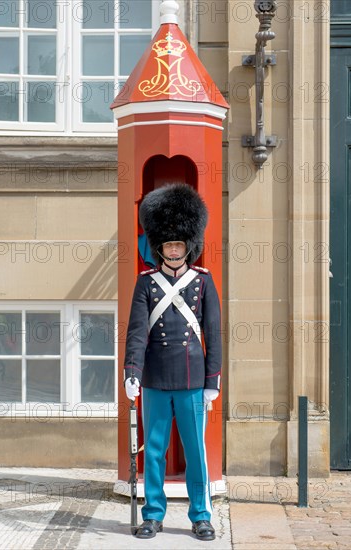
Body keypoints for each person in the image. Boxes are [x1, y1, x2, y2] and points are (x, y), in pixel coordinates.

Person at [123, 183, 222, 541]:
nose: (175, 249)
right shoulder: (146, 283)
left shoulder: (203, 282)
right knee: (154, 451)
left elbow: (213, 331)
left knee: (196, 451)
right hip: (154, 378)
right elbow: (136, 332)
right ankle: (153, 513)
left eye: (180, 244)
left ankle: (200, 514)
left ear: (188, 246)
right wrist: (131, 372)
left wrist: (213, 379)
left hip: (193, 379)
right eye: (169, 244)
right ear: (160, 247)